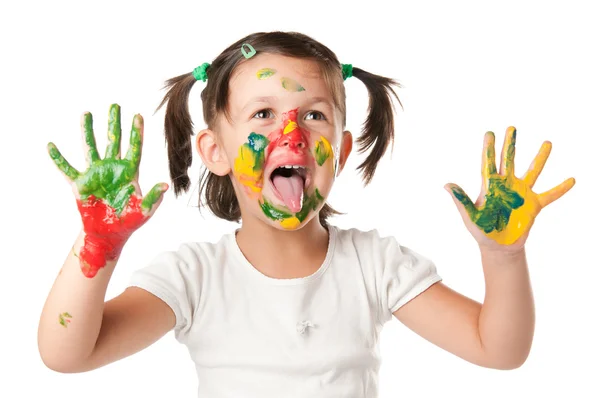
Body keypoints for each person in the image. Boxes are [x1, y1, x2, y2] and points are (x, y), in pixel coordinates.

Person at [38, 31, 575, 397]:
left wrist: (503, 257)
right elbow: (67, 354)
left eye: (313, 116)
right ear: (215, 151)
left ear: (339, 152)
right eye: (263, 114)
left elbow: (499, 350)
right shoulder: (194, 277)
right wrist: (97, 247)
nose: (290, 135)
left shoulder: (374, 265)